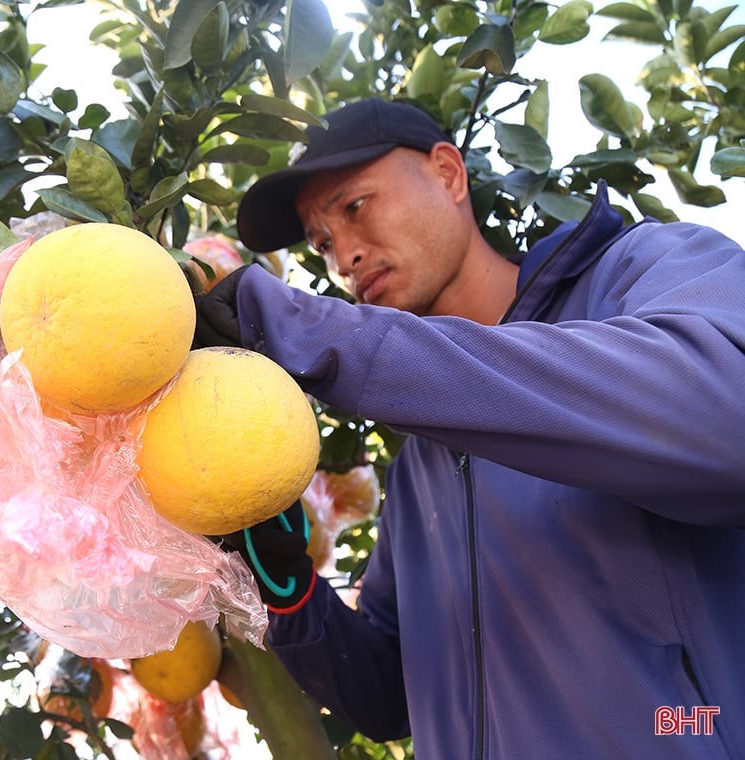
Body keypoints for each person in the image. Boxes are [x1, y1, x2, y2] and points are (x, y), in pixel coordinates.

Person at [195, 98, 745, 759]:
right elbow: (388, 692)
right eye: (322, 243)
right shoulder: (421, 463)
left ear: (449, 174)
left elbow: (722, 418)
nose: (344, 256)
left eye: (353, 207)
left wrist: (304, 330)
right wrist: (282, 589)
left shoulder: (639, 271)